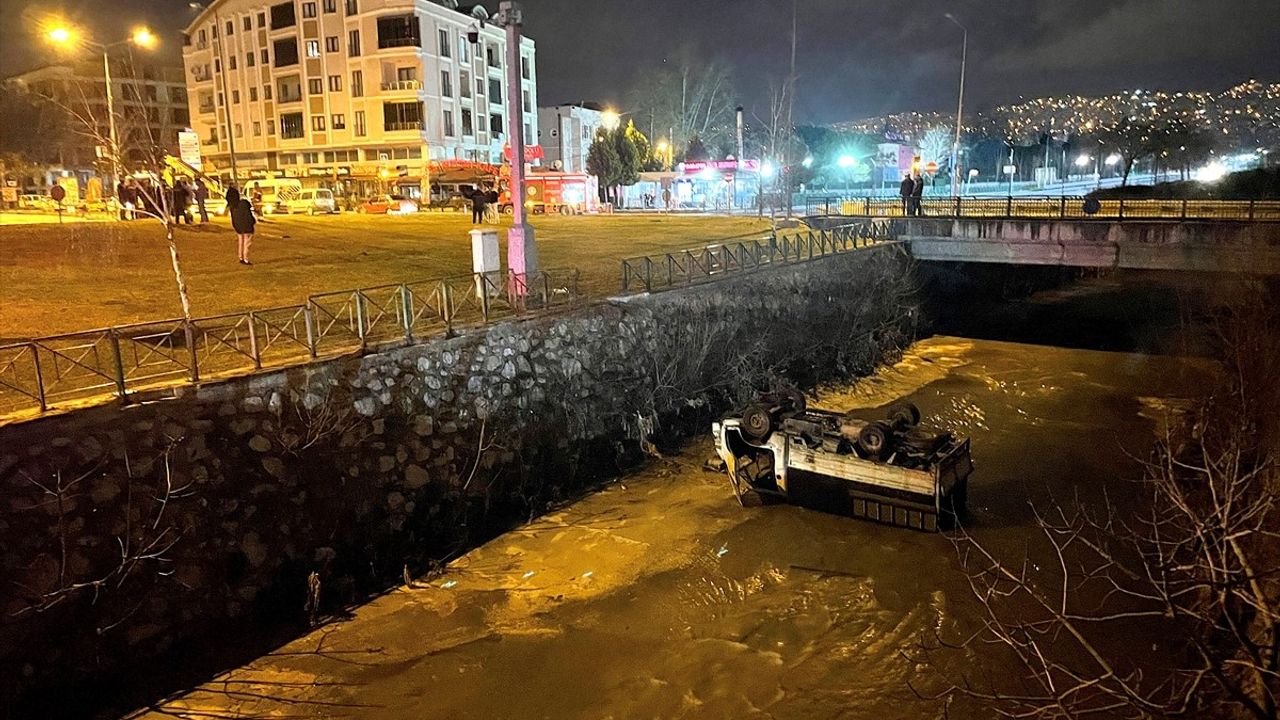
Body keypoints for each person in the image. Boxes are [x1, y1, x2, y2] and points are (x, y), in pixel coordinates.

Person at [231, 196, 256, 265]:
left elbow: (233, 221)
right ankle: (246, 259)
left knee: (241, 243)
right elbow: (251, 220)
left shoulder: (235, 210)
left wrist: (236, 227)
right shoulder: (246, 211)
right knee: (246, 244)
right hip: (247, 229)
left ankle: (241, 257)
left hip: (239, 229)